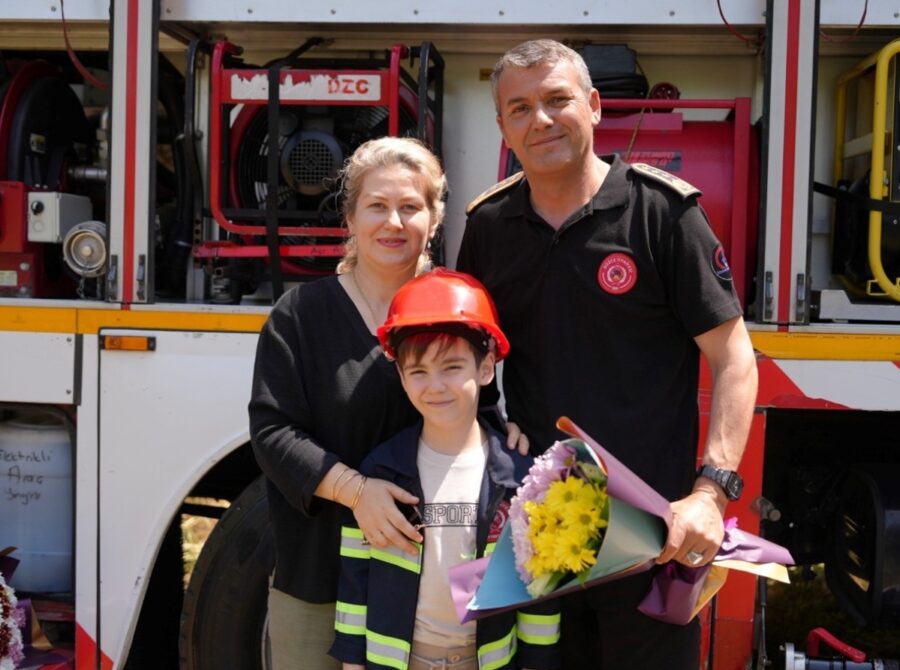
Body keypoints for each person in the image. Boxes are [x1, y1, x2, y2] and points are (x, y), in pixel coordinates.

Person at [457, 39, 758, 668]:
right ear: (503, 127)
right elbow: (468, 355)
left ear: (594, 106)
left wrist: (711, 492)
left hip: (651, 538)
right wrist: (489, 422)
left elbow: (733, 356)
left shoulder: (663, 214)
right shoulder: (488, 226)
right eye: (520, 109)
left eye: (557, 100)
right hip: (538, 540)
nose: (541, 120)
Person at [329, 268, 560, 670]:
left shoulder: (521, 480)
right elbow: (355, 580)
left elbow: (538, 592)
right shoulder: (381, 472)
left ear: (485, 368)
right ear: (401, 377)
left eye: (452, 367)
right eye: (418, 372)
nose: (435, 386)